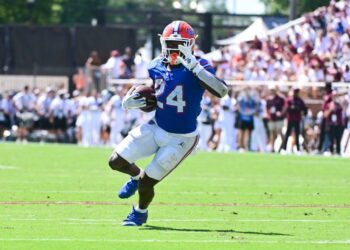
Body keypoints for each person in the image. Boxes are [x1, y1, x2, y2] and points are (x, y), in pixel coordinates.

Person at [107, 20, 228, 226]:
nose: (173, 48)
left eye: (179, 43)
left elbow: (222, 91)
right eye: (170, 43)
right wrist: (137, 101)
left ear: (189, 44)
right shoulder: (155, 65)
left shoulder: (200, 65)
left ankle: (140, 212)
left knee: (148, 183)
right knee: (115, 161)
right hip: (157, 126)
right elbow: (158, 96)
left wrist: (194, 67)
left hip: (181, 138)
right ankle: (135, 177)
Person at [280, 86, 307, 154]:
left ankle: (297, 149)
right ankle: (284, 149)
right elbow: (287, 108)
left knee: (297, 134)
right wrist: (295, 108)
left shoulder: (300, 101)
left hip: (297, 119)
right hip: (290, 119)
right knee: (287, 134)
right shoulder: (289, 100)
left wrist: (297, 109)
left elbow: (304, 109)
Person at [266, 85, 285, 152]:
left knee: (279, 132)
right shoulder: (269, 99)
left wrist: (281, 113)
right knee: (272, 133)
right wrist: (268, 116)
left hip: (279, 119)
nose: (272, 92)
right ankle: (272, 148)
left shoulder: (281, 98)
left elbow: (284, 108)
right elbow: (267, 109)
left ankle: (283, 147)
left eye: (273, 90)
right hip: (272, 118)